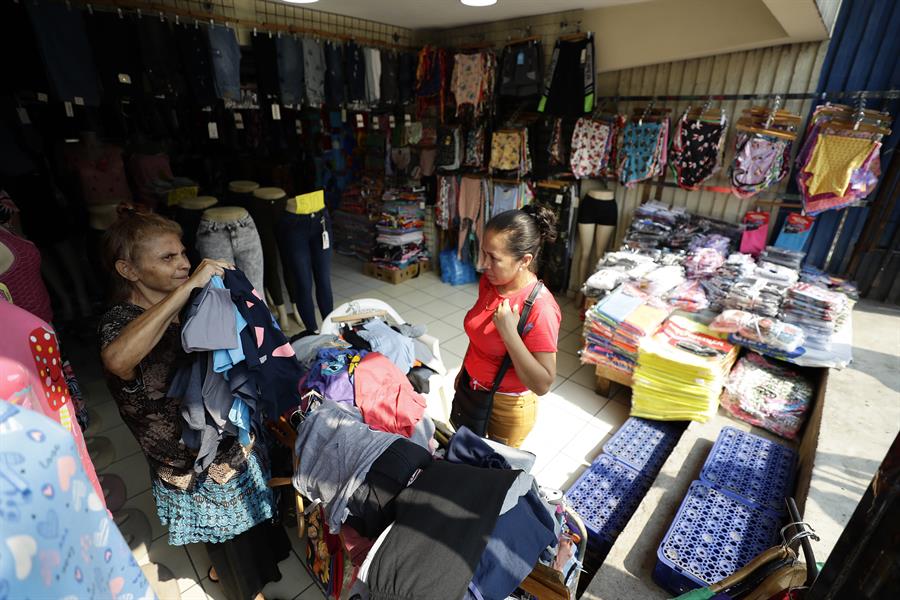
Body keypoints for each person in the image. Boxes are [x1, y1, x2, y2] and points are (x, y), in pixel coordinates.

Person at [97, 209, 290, 600]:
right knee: (235, 553)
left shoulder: (189, 303)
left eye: (183, 253)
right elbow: (118, 360)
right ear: (128, 270)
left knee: (248, 535)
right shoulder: (119, 322)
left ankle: (231, 570)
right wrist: (188, 289)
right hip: (191, 466)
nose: (185, 263)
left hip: (229, 446)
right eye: (168, 258)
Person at [454, 204, 562, 447]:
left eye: (494, 258)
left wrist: (509, 334)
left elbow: (543, 383)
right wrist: (465, 372)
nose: (484, 264)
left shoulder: (540, 308)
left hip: (507, 407)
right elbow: (478, 336)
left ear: (524, 260)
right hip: (472, 391)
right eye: (484, 254)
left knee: (494, 469)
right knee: (467, 456)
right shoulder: (490, 283)